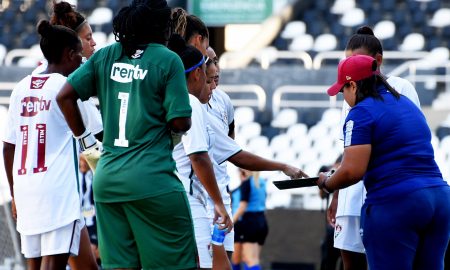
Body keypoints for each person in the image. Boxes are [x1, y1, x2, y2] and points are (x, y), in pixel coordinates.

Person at [55, 1, 198, 269]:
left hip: (108, 182)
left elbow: (64, 96)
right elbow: (180, 120)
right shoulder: (168, 59)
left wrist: (85, 140)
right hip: (153, 180)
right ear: (161, 25)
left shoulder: (105, 55)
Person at [317, 54, 450, 270]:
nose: (343, 97)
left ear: (352, 84)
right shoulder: (404, 102)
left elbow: (352, 171)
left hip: (398, 202)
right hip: (439, 199)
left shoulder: (360, 112)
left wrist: (327, 183)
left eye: (342, 91)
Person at [326, 26, 421, 270]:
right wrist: (336, 196)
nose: (350, 67)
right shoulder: (350, 88)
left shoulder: (402, 86)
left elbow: (412, 139)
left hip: (385, 195)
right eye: (348, 61)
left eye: (357, 60)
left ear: (377, 60)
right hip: (351, 196)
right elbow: (347, 150)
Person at [2, 20, 87, 270]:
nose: (81, 62)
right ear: (69, 55)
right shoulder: (66, 89)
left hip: (26, 190)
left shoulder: (20, 88)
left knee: (34, 264)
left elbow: (8, 148)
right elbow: (90, 138)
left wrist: (15, 193)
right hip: (57, 192)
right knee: (53, 264)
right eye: (79, 56)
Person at [169, 34, 233, 270]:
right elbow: (197, 156)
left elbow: (231, 148)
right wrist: (219, 203)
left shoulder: (168, 98)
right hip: (188, 199)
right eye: (208, 77)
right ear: (198, 74)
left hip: (166, 194)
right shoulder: (191, 103)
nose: (212, 83)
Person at [231, 169, 269, 270]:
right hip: (261, 222)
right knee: (248, 258)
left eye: (240, 171)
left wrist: (230, 223)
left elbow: (242, 207)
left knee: (250, 260)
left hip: (248, 222)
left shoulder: (247, 183)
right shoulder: (261, 182)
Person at [78, 154, 101, 266]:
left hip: (95, 220)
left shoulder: (95, 174)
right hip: (81, 221)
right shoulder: (74, 176)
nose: (83, 163)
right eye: (81, 160)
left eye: (85, 160)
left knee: (98, 251)